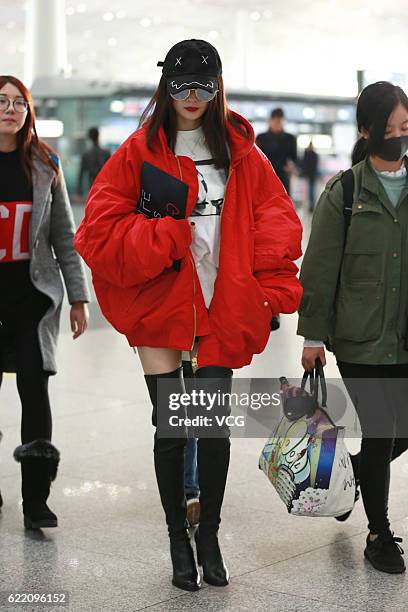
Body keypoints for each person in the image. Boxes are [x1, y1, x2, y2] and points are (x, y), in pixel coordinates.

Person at [75, 39, 302, 592]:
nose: (194, 98)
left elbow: (275, 222)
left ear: (219, 86)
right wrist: (166, 234)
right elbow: (97, 230)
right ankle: (179, 538)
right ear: (166, 86)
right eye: (182, 86)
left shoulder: (244, 153)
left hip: (220, 304)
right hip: (161, 302)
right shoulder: (140, 150)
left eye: (205, 86)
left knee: (212, 429)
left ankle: (210, 536)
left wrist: (269, 292)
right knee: (172, 429)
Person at [298, 81, 408, 575]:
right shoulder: (343, 191)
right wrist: (313, 338)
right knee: (382, 427)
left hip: (405, 332)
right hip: (360, 336)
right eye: (388, 130)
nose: (398, 137)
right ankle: (378, 532)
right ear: (366, 132)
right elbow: (319, 269)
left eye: (405, 128)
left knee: (396, 430)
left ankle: (357, 474)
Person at [0, 75, 90, 529]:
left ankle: (36, 497)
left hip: (31, 300)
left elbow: (64, 239)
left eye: (19, 103)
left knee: (35, 394)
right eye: (2, 101)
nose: (11, 109)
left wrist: (78, 297)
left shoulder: (43, 163)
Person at [256, 108, 297, 195]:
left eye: (279, 122)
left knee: (283, 203)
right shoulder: (261, 138)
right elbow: (256, 158)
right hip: (265, 176)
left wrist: (291, 165)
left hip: (283, 176)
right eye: (275, 121)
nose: (277, 124)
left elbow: (295, 158)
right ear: (270, 121)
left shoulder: (290, 138)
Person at [75, 127, 110, 201]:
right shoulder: (106, 153)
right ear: (98, 136)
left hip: (92, 187)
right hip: (105, 188)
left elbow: (81, 174)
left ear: (89, 138)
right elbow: (112, 173)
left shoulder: (86, 155)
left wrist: (79, 192)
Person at [302, 140, 319, 212]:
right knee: (311, 190)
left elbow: (304, 164)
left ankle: (310, 205)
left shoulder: (307, 154)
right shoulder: (314, 154)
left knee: (310, 191)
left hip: (309, 174)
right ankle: (311, 205)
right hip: (312, 175)